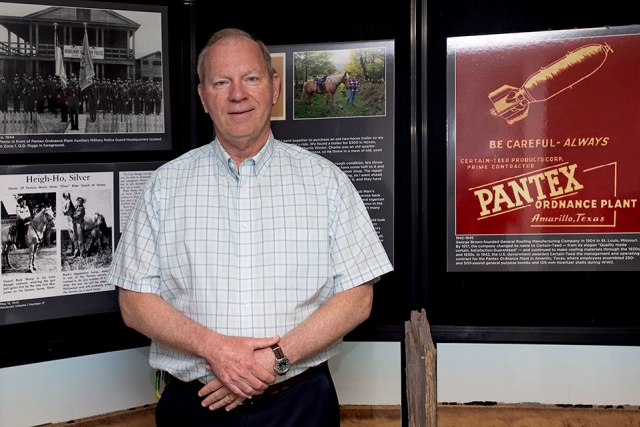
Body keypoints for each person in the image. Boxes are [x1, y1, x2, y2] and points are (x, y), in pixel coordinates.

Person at [107, 28, 392, 427]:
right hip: (196, 406)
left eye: (251, 78)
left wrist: (273, 360)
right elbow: (134, 303)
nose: (237, 94)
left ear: (274, 87)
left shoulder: (326, 182)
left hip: (299, 404)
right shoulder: (164, 186)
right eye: (221, 82)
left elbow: (358, 296)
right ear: (203, 97)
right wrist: (216, 350)